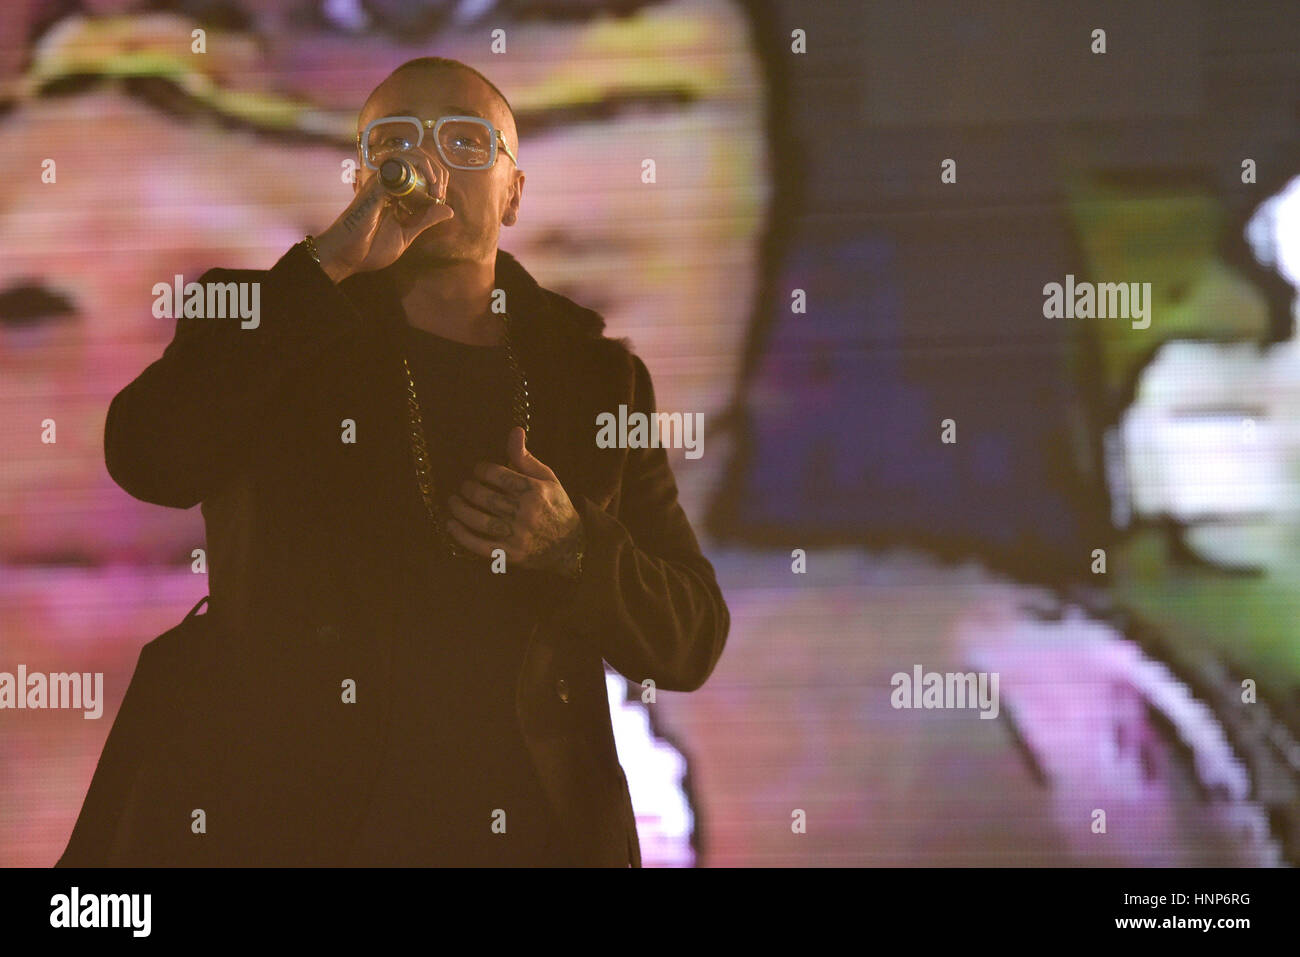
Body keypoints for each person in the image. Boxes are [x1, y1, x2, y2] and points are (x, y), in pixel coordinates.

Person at [59, 56, 730, 867]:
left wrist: (575, 547)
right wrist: (322, 271)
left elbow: (689, 637)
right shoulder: (272, 323)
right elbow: (149, 457)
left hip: (528, 833)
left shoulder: (595, 377)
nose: (430, 164)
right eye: (398, 142)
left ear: (514, 193)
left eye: (465, 140)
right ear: (362, 174)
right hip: (294, 825)